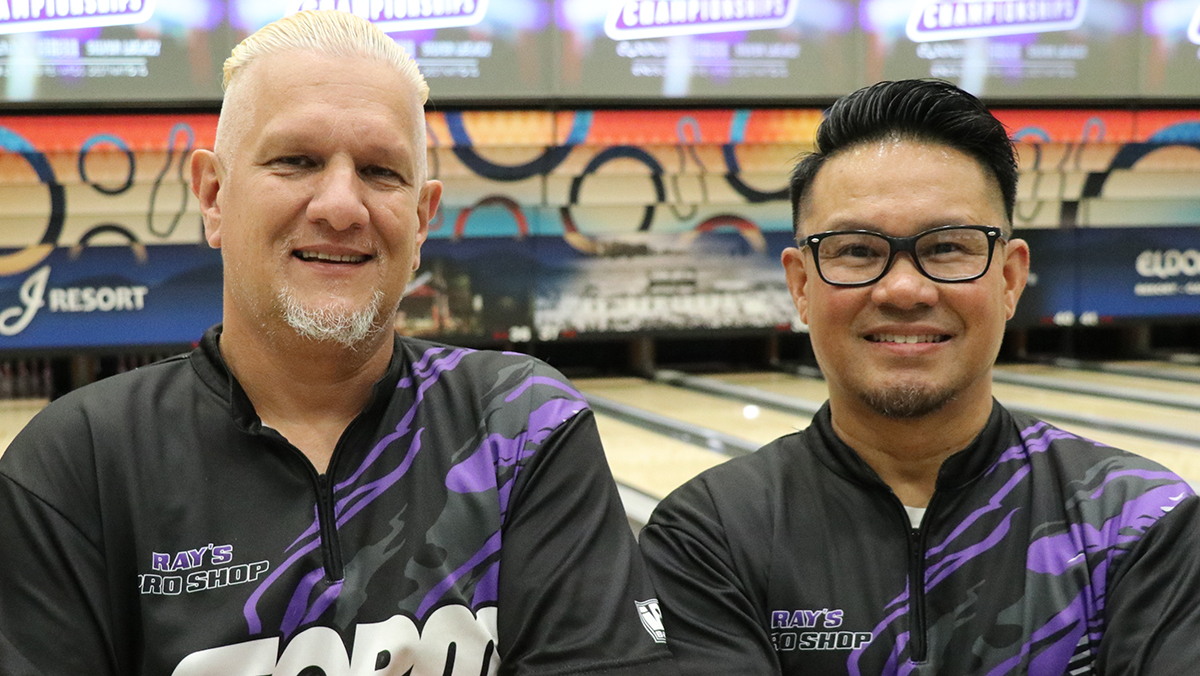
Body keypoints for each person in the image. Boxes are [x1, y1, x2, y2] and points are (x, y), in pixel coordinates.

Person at [0, 11, 677, 676]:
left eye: (382, 172)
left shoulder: (524, 426)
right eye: (296, 161)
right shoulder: (80, 461)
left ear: (421, 220)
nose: (342, 206)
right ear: (212, 196)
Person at [639, 79, 1200, 675]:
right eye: (855, 250)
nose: (904, 289)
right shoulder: (709, 534)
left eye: (948, 247)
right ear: (802, 285)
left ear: (1009, 280)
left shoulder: (1139, 522)